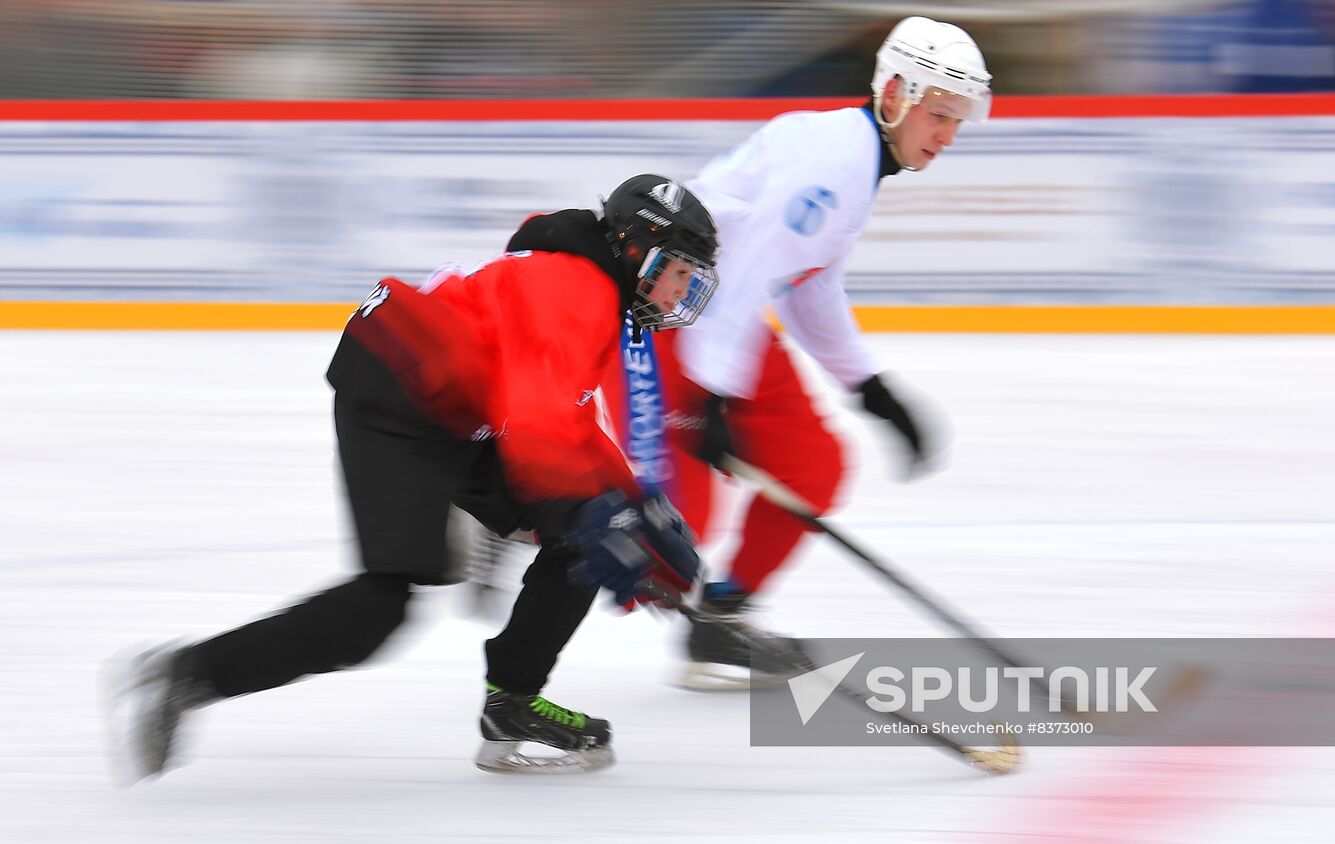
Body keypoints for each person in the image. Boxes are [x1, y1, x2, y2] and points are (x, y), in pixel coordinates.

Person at [106, 174, 721, 779]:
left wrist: (631, 505)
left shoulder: (586, 284)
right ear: (636, 250)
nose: (678, 295)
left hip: (457, 410)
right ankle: (186, 674)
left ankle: (512, 703)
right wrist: (607, 518)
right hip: (399, 401)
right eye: (678, 274)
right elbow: (538, 425)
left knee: (587, 529)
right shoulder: (577, 288)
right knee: (378, 611)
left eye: (692, 281)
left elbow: (565, 413)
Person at [597, 17, 994, 688]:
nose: (949, 135)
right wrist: (710, 400)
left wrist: (868, 386)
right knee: (674, 530)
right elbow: (742, 268)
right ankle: (518, 512)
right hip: (661, 322)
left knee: (810, 464)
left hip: (718, 320)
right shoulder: (833, 165)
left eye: (958, 119)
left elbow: (810, 285)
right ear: (895, 93)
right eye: (940, 115)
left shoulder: (857, 161)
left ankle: (722, 620)